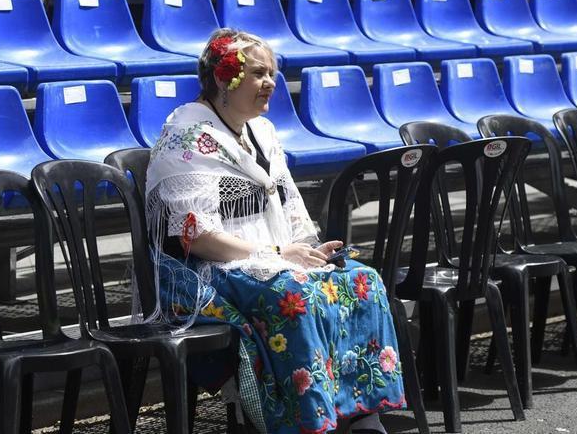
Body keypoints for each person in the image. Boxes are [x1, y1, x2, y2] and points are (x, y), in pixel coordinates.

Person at [144, 29, 405, 434]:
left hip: (264, 258)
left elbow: (291, 207)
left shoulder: (262, 131)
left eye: (273, 74)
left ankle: (361, 416)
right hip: (204, 273)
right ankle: (305, 422)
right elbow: (197, 238)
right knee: (294, 296)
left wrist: (308, 249)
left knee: (361, 280)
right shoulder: (188, 137)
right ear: (222, 79)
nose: (271, 83)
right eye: (259, 74)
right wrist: (280, 253)